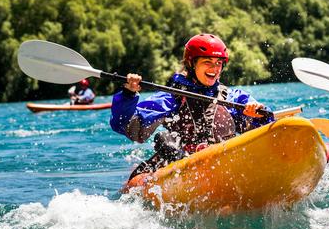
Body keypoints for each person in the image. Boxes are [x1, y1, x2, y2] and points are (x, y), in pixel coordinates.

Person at [110, 33, 274, 179]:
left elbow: (262, 135)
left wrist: (260, 115)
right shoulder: (172, 98)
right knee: (165, 141)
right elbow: (127, 127)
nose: (214, 68)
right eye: (207, 62)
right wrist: (128, 94)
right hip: (183, 165)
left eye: (218, 63)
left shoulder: (233, 98)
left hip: (224, 165)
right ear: (191, 63)